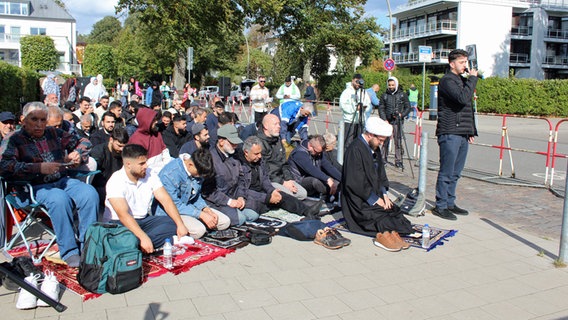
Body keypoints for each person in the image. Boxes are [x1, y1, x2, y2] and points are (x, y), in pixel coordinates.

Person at [0, 102, 98, 267]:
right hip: (31, 187)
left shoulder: (54, 132)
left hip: (61, 180)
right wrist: (38, 168)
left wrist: (77, 153)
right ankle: (70, 251)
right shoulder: (13, 139)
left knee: (89, 193)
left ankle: (89, 246)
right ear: (23, 120)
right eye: (34, 119)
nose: (39, 124)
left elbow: (85, 141)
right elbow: (4, 167)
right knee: (59, 199)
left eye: (43, 120)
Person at [341, 117, 412, 252]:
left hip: (374, 195)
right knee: (386, 221)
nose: (380, 143)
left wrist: (384, 194)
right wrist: (375, 199)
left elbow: (380, 175)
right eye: (380, 140)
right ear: (370, 134)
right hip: (358, 202)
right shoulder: (355, 150)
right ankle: (381, 238)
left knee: (397, 214)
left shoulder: (374, 147)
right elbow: (354, 182)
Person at [103, 144, 189, 253]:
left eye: (146, 162)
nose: (146, 166)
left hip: (143, 220)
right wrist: (143, 237)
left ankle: (138, 245)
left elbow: (166, 200)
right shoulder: (116, 181)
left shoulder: (150, 174)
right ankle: (145, 243)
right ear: (128, 164)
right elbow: (123, 215)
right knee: (124, 237)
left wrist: (180, 224)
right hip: (120, 223)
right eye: (141, 163)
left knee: (172, 223)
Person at [433, 49, 479, 220]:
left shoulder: (462, 80)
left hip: (462, 131)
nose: (465, 65)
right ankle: (441, 205)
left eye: (466, 62)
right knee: (447, 171)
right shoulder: (447, 81)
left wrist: (471, 130)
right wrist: (473, 79)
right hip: (450, 131)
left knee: (456, 172)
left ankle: (450, 202)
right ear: (452, 64)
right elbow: (461, 99)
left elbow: (468, 108)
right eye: (461, 62)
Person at [237, 136, 322, 219]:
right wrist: (267, 198)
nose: (259, 156)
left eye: (260, 153)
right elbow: (242, 190)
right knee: (254, 210)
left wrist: (272, 190)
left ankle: (307, 211)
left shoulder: (259, 161)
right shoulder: (239, 165)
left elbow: (265, 179)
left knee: (282, 195)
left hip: (262, 192)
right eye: (256, 154)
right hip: (249, 196)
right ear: (246, 152)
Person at [157, 149, 231, 238]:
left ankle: (201, 224)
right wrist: (200, 214)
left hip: (190, 206)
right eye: (199, 174)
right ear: (190, 165)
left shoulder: (197, 169)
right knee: (199, 230)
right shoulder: (169, 174)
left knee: (224, 222)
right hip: (172, 212)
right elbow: (173, 204)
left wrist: (205, 209)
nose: (200, 177)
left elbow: (196, 196)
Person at [202, 124, 259, 226]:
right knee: (240, 219)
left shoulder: (235, 156)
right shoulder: (210, 159)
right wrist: (228, 201)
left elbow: (242, 179)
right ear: (221, 141)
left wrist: (241, 196)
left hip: (235, 197)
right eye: (232, 143)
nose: (235, 146)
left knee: (253, 214)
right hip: (217, 202)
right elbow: (208, 192)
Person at [256, 114, 307, 200]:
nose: (279, 127)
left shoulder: (278, 141)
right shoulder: (258, 142)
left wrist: (289, 179)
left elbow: (284, 164)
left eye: (279, 124)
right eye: (275, 124)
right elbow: (265, 170)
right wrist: (283, 182)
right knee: (290, 196)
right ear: (266, 126)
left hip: (280, 177)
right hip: (268, 180)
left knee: (302, 194)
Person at [287, 135, 341, 201]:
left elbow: (328, 166)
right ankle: (329, 194)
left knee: (336, 181)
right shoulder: (299, 153)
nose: (319, 154)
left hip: (312, 177)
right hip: (299, 181)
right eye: (317, 152)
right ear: (310, 146)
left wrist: (343, 179)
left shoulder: (317, 151)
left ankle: (333, 193)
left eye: (320, 152)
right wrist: (328, 179)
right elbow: (311, 169)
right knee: (316, 181)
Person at [90, 127, 129, 207]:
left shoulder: (124, 152)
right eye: (119, 146)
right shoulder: (98, 152)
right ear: (111, 140)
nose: (121, 149)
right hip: (101, 186)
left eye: (123, 146)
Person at [379, 76, 411, 168]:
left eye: (393, 85)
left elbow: (408, 107)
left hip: (398, 121)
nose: (391, 86)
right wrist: (384, 119)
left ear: (396, 85)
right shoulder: (384, 95)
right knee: (385, 141)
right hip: (387, 121)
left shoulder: (402, 95)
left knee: (398, 141)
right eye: (389, 85)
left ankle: (399, 160)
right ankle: (383, 159)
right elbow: (381, 108)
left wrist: (401, 114)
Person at [128, 107, 172, 172]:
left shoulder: (157, 134)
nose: (156, 122)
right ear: (146, 121)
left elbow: (164, 151)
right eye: (153, 120)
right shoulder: (136, 140)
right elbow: (139, 164)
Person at [340, 73, 371, 147]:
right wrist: (355, 108)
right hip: (349, 121)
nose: (358, 84)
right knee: (348, 142)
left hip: (360, 121)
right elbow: (342, 106)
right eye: (356, 81)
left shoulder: (363, 92)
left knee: (359, 143)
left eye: (359, 81)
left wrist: (365, 108)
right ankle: (346, 157)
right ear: (352, 81)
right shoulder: (346, 92)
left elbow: (368, 104)